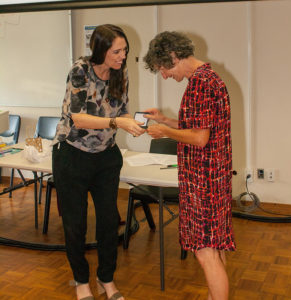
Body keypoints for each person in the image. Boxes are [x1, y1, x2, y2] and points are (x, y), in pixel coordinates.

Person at [52, 24, 145, 300]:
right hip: (72, 155)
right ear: (101, 50)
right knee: (75, 224)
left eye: (125, 50)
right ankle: (81, 281)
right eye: (117, 51)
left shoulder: (121, 72)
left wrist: (136, 121)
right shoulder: (80, 70)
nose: (122, 56)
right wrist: (117, 122)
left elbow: (123, 108)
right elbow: (79, 118)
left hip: (105, 156)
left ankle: (107, 279)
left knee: (107, 222)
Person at [143, 31, 236, 300]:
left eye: (162, 68)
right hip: (215, 177)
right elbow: (198, 126)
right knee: (215, 248)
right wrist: (166, 120)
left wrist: (164, 132)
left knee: (205, 251)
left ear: (173, 56)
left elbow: (198, 137)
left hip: (203, 181)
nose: (164, 75)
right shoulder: (210, 77)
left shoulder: (199, 84)